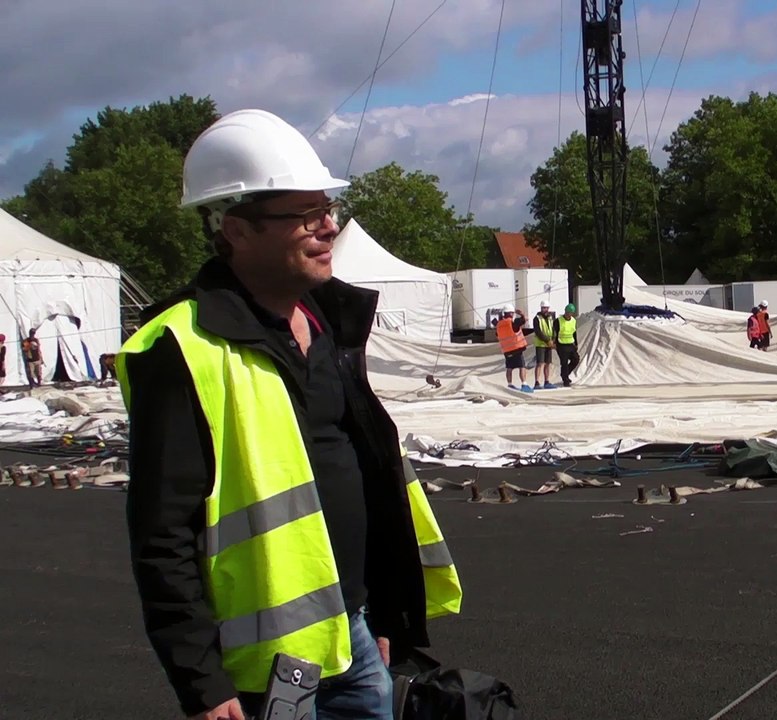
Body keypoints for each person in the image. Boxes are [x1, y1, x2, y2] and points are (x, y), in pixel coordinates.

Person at [117, 109, 463, 720]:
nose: (328, 226)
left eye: (326, 208)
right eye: (303, 214)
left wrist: (379, 610)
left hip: (353, 633)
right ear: (236, 229)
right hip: (268, 665)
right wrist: (203, 682)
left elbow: (363, 469)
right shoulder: (180, 349)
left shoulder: (330, 322)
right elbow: (162, 535)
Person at [493, 304, 531, 392]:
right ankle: (524, 384)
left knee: (509, 368)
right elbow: (524, 320)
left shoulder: (499, 325)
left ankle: (509, 384)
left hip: (506, 350)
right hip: (516, 348)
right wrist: (522, 314)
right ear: (511, 313)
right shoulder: (512, 323)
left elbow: (497, 335)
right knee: (522, 366)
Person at [553, 303, 581, 387]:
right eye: (568, 312)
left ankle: (564, 374)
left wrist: (576, 344)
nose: (569, 314)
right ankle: (565, 380)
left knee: (576, 359)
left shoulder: (573, 321)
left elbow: (574, 333)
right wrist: (554, 343)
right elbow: (554, 333)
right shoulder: (558, 321)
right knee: (564, 363)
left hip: (570, 344)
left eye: (571, 313)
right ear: (565, 312)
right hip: (561, 344)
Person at [532, 300, 557, 390]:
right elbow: (538, 332)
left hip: (549, 344)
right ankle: (537, 382)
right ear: (541, 308)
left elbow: (553, 329)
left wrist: (553, 340)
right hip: (541, 344)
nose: (545, 310)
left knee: (547, 363)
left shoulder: (551, 318)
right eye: (543, 308)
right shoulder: (537, 318)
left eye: (546, 308)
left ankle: (547, 381)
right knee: (540, 363)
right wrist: (547, 341)